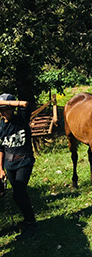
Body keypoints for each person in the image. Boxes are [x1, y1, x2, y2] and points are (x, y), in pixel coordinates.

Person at [0, 94, 38, 241]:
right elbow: (1, 148)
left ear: (12, 108)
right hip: (9, 164)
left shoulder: (21, 119)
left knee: (20, 192)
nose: (4, 112)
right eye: (1, 110)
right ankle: (28, 220)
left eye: (6, 109)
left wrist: (6, 101)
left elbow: (26, 104)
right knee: (17, 193)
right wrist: (0, 169)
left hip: (24, 161)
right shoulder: (1, 126)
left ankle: (32, 224)